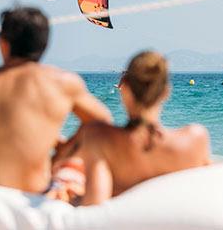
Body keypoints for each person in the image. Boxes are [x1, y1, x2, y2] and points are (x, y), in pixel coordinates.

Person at [0, 7, 112, 194]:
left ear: (4, 43)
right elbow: (103, 121)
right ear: (44, 44)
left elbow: (6, 121)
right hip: (28, 198)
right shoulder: (62, 82)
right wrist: (64, 150)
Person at [69, 50, 211, 205]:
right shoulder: (195, 139)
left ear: (125, 88)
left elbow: (95, 207)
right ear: (165, 92)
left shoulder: (99, 138)